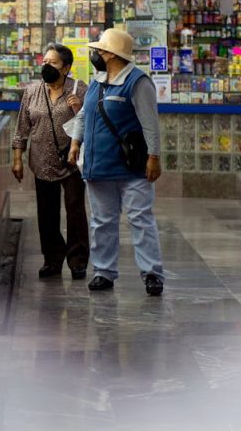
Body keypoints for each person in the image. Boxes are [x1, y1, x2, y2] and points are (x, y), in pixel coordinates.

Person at [67, 28, 165, 296]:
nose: (95, 54)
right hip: (98, 167)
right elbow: (84, 116)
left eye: (99, 50)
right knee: (101, 222)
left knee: (140, 219)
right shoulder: (97, 81)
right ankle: (103, 272)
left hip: (132, 167)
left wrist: (154, 157)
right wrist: (76, 142)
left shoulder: (137, 82)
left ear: (111, 54)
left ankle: (152, 274)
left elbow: (150, 123)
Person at [11, 43, 90, 280]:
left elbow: (90, 123)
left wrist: (78, 109)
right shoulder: (32, 91)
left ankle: (77, 261)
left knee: (75, 211)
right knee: (47, 213)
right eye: (44, 61)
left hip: (70, 162)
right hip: (41, 161)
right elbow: (22, 127)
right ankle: (52, 259)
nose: (46, 66)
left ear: (66, 68)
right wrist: (18, 158)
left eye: (52, 63)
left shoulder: (79, 89)